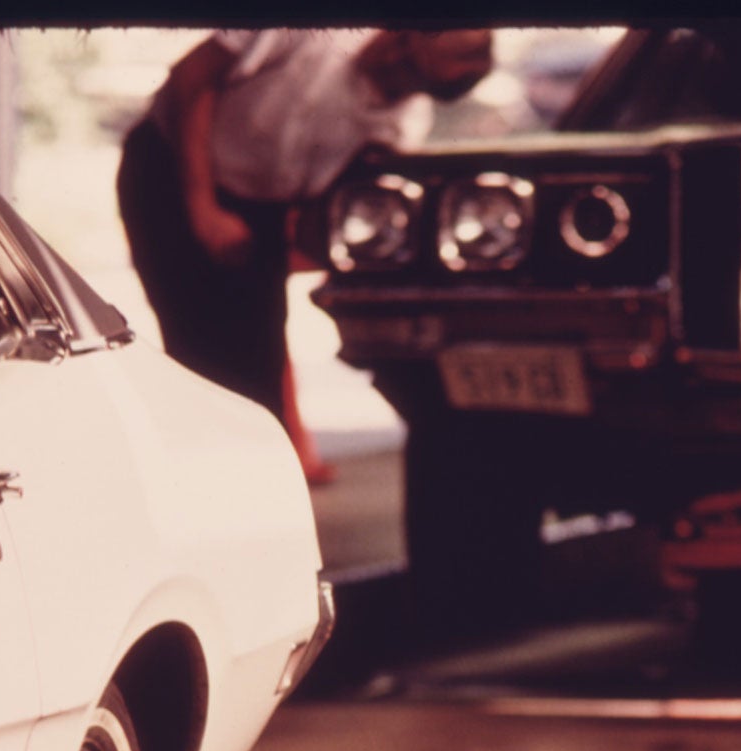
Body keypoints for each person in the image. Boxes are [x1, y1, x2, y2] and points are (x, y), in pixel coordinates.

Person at [115, 28, 492, 485]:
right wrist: (202, 208)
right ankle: (198, 487)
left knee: (259, 360)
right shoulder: (307, 28)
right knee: (198, 346)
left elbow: (336, 210)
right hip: (172, 167)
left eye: (416, 79)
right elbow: (190, 79)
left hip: (260, 206)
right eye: (406, 50)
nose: (395, 68)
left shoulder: (400, 122)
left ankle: (255, 495)